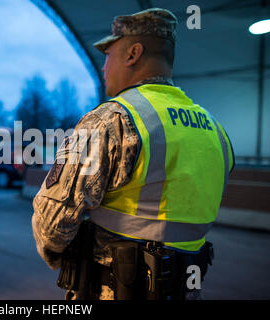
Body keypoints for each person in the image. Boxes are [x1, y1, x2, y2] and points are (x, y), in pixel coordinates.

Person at [32, 8, 234, 300]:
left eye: (108, 55)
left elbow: (53, 223)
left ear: (133, 54)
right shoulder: (215, 131)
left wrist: (60, 258)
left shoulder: (112, 120)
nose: (104, 67)